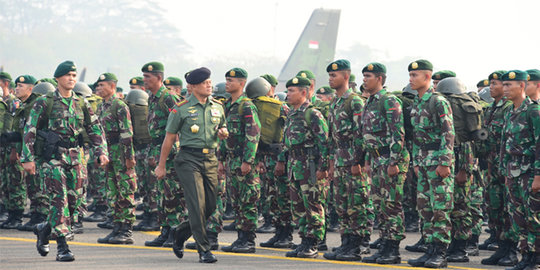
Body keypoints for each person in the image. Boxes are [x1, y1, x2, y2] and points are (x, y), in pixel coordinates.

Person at [22, 61, 109, 262]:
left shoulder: (82, 102)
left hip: (76, 157)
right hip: (52, 158)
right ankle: (62, 247)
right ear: (58, 78)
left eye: (74, 75)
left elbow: (95, 128)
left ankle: (44, 229)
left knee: (74, 204)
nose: (71, 78)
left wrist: (101, 152)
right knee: (58, 200)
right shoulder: (45, 102)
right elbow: (30, 129)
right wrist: (28, 158)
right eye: (67, 75)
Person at [155, 67, 228, 263]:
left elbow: (222, 126)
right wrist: (161, 166)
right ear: (193, 86)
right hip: (188, 159)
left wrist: (223, 132)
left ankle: (180, 233)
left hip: (210, 159)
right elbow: (169, 138)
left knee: (210, 206)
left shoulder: (218, 107)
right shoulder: (181, 108)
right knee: (196, 204)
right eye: (205, 83)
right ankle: (204, 250)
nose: (209, 85)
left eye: (210, 82)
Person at [406, 59, 455, 268]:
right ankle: (429, 249)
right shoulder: (417, 102)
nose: (411, 79)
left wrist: (445, 162)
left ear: (427, 77)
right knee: (424, 208)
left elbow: (448, 132)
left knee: (440, 208)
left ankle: (441, 253)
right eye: (410, 75)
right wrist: (416, 161)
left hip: (437, 162)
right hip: (424, 163)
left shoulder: (438, 101)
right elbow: (417, 137)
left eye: (415, 75)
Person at [359, 63, 409, 265]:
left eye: (368, 76)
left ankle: (393, 249)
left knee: (391, 205)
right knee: (381, 204)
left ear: (379, 78)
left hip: (390, 159)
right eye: (363, 76)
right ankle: (384, 244)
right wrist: (369, 161)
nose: (364, 80)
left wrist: (394, 161)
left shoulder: (389, 101)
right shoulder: (370, 102)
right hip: (378, 159)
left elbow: (398, 132)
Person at [323, 59, 372, 262]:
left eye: (334, 75)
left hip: (353, 160)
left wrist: (358, 161)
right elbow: (332, 136)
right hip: (340, 159)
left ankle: (357, 245)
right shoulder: (335, 102)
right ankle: (346, 242)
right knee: (342, 204)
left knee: (357, 204)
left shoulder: (355, 101)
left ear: (345, 76)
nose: (331, 79)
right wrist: (331, 162)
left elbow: (361, 133)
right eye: (329, 76)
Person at [274, 76, 328, 258]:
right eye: (288, 91)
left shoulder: (312, 114)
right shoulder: (291, 113)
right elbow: (286, 141)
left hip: (309, 165)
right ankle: (304, 239)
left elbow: (324, 142)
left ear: (303, 92)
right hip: (294, 164)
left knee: (312, 203)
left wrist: (323, 167)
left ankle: (313, 242)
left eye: (292, 91)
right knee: (298, 205)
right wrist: (282, 160)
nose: (288, 94)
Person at [140, 62, 185, 248]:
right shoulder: (153, 97)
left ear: (159, 78)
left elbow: (180, 125)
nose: (144, 80)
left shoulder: (169, 98)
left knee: (172, 193)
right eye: (143, 76)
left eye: (148, 77)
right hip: (157, 149)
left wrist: (175, 153)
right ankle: (165, 230)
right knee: (161, 193)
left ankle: (175, 232)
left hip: (171, 152)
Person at [499, 70, 540, 270]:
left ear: (522, 86)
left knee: (533, 217)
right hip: (512, 171)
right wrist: (502, 168)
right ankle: (525, 256)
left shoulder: (533, 111)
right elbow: (505, 143)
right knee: (518, 216)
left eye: (509, 85)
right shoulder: (509, 111)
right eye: (504, 85)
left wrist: (538, 176)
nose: (505, 89)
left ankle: (535, 258)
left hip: (530, 171)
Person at [219, 68, 262, 253]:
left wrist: (248, 161)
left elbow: (253, 133)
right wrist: (221, 160)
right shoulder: (228, 105)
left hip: (243, 161)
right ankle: (240, 238)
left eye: (231, 80)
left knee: (248, 200)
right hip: (231, 160)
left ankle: (248, 240)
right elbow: (223, 134)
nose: (227, 83)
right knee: (236, 201)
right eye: (227, 79)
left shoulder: (246, 106)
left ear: (242, 83)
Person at [93, 73, 137, 245]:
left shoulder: (119, 105)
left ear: (112, 86)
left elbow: (127, 133)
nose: (98, 89)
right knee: (113, 191)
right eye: (97, 86)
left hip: (120, 151)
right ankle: (116, 227)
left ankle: (126, 230)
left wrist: (129, 157)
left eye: (102, 85)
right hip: (109, 151)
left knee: (125, 190)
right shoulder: (102, 106)